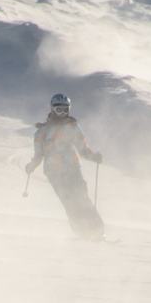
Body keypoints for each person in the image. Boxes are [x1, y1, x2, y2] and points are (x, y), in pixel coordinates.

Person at [25, 93, 105, 240]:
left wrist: (94, 156)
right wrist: (32, 165)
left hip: (72, 168)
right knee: (69, 201)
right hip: (54, 172)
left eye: (65, 110)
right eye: (59, 110)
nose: (62, 113)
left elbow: (82, 148)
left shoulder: (72, 127)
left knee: (81, 198)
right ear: (52, 109)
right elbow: (38, 154)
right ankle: (82, 233)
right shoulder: (42, 132)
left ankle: (98, 230)